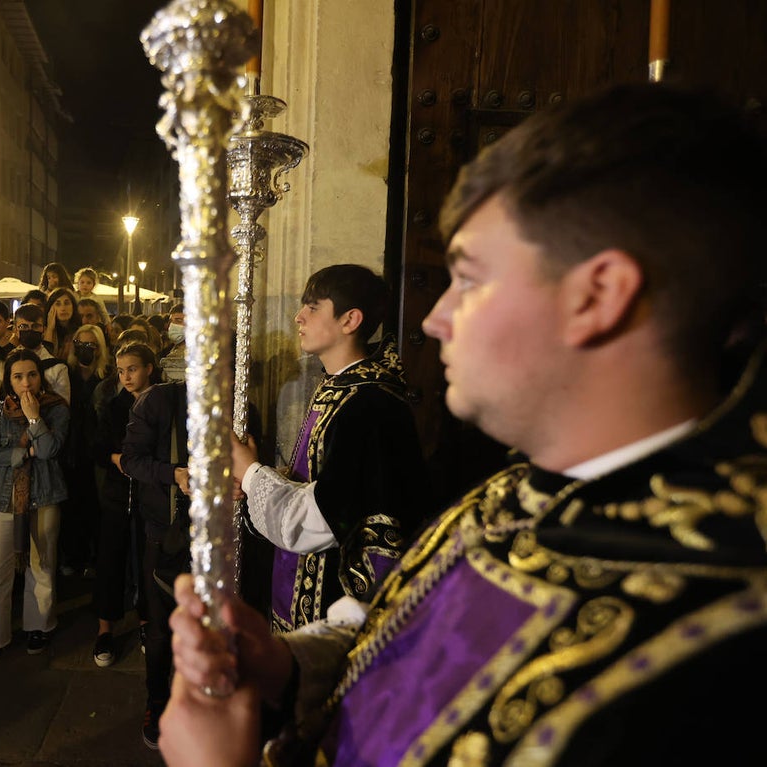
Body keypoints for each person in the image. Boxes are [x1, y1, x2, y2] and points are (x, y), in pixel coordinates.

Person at [159, 83, 767, 766]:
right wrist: (287, 667)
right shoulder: (506, 498)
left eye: (470, 280)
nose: (434, 318)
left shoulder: (715, 650)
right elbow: (411, 652)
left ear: (598, 296)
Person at [232, 264, 432, 632]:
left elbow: (324, 518)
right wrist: (254, 486)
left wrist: (250, 472)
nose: (298, 317)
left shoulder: (371, 403)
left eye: (312, 307)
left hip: (336, 604)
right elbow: (322, 482)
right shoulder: (338, 388)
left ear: (350, 320)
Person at [0, 348, 70, 659]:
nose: (26, 383)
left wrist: (34, 417)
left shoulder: (56, 408)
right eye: (18, 377)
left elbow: (49, 450)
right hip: (1, 498)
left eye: (32, 375)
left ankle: (39, 626)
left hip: (43, 495)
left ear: (40, 377)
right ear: (9, 380)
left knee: (41, 566)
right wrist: (24, 453)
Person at [119, 361, 192, 750]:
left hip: (217, 532)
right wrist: (174, 474)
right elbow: (130, 459)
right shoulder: (160, 401)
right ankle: (158, 701)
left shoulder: (239, 403)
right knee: (161, 627)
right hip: (165, 531)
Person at [91, 342, 161, 671]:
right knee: (110, 558)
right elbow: (98, 447)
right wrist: (115, 458)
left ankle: (146, 622)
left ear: (149, 368)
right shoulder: (113, 406)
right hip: (117, 494)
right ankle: (105, 629)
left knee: (148, 560)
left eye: (132, 369)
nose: (126, 377)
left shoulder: (163, 402)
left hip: (151, 492)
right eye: (121, 371)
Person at [58, 323, 109, 577]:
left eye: (90, 345)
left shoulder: (107, 376)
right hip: (71, 449)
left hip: (97, 451)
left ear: (99, 348)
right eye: (80, 344)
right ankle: (72, 557)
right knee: (72, 506)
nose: (84, 349)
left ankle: (95, 558)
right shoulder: (66, 374)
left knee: (95, 506)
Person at [44, 287, 81, 363]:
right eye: (58, 304)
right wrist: (50, 329)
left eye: (66, 303)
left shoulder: (80, 332)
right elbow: (46, 358)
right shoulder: (44, 331)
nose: (63, 308)